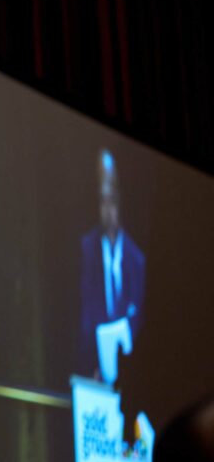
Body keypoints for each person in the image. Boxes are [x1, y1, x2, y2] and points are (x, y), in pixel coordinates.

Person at [78, 149, 145, 382]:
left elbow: (138, 321)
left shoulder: (136, 259)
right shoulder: (87, 250)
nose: (108, 210)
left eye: (112, 201)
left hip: (131, 372)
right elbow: (84, 313)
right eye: (102, 201)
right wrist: (94, 362)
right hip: (95, 368)